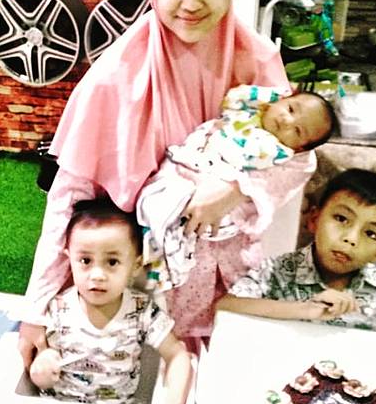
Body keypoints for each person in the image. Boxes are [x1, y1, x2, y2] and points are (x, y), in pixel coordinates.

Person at [19, 0, 316, 362]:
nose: (191, 2)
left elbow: (298, 155)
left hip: (231, 281)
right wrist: (36, 309)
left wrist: (237, 188)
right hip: (141, 289)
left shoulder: (255, 61)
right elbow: (68, 199)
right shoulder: (115, 77)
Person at [137, 84, 337, 291]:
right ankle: (159, 248)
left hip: (220, 209)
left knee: (191, 233)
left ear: (300, 147)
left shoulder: (280, 155)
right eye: (291, 109)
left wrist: (234, 187)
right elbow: (237, 99)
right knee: (161, 205)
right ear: (280, 99)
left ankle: (169, 262)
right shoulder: (244, 113)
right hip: (192, 168)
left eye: (297, 130)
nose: (287, 121)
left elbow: (267, 185)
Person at [29, 199, 192, 404]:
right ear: (69, 259)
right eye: (85, 261)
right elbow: (37, 370)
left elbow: (178, 354)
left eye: (112, 262)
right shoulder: (56, 308)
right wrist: (41, 369)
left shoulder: (141, 310)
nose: (97, 275)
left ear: (135, 265)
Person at [216, 168, 376, 333]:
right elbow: (224, 306)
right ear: (314, 220)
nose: (351, 239)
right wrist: (303, 309)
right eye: (341, 219)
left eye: (371, 234)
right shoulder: (278, 271)